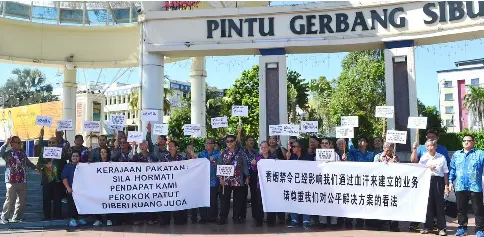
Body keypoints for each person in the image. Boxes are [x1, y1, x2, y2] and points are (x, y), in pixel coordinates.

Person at [449, 135, 484, 237]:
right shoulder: (456, 155)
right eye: (464, 140)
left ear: (473, 142)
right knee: (461, 209)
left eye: (469, 141)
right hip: (460, 186)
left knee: (478, 210)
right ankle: (462, 228)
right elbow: (452, 169)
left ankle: (479, 229)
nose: (466, 142)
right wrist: (450, 182)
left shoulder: (480, 154)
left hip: (475, 187)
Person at [0, 136, 39, 224]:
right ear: (12, 144)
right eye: (17, 142)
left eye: (20, 142)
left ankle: (16, 217)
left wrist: (35, 168)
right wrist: (6, 143)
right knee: (10, 199)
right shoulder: (8, 153)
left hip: (22, 180)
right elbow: (0, 153)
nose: (20, 144)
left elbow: (28, 162)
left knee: (22, 201)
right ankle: (4, 217)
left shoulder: (22, 153)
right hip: (11, 180)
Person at [418, 139, 448, 236]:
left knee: (439, 205)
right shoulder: (423, 158)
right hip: (426, 181)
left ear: (435, 146)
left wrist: (446, 185)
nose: (429, 148)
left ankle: (442, 228)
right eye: (427, 146)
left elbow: (445, 172)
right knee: (428, 204)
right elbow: (418, 170)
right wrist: (427, 167)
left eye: (431, 146)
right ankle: (428, 227)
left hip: (438, 181)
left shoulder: (441, 157)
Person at [217, 135, 249, 225]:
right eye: (227, 141)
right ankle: (223, 217)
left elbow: (245, 165)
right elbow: (219, 166)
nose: (229, 142)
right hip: (226, 181)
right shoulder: (222, 153)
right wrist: (220, 178)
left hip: (238, 180)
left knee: (238, 200)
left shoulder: (241, 153)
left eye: (231, 141)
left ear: (235, 142)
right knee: (224, 200)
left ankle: (236, 216)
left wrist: (247, 176)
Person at [37, 128, 67, 221]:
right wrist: (44, 166)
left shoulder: (61, 153)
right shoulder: (43, 153)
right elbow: (39, 164)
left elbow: (65, 164)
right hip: (46, 180)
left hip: (58, 180)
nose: (51, 144)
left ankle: (58, 215)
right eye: (49, 142)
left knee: (57, 199)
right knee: (46, 199)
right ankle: (47, 216)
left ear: (57, 143)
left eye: (53, 142)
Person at [346, 137, 375, 228]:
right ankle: (349, 220)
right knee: (353, 200)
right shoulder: (353, 152)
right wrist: (349, 138)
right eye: (359, 141)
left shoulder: (372, 154)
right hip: (355, 180)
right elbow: (349, 148)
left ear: (366, 143)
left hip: (367, 181)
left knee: (364, 200)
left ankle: (360, 221)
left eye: (363, 140)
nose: (361, 142)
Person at [373, 142, 400, 232]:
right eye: (387, 149)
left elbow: (400, 169)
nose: (389, 151)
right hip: (381, 183)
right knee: (381, 202)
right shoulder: (378, 156)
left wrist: (395, 162)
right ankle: (380, 223)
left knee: (393, 202)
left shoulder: (395, 156)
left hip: (392, 184)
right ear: (384, 148)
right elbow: (375, 167)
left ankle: (394, 224)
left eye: (390, 149)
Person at [286, 141, 313, 229]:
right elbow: (286, 168)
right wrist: (287, 159)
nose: (292, 148)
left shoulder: (308, 157)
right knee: (293, 200)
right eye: (292, 147)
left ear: (300, 148)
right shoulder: (291, 157)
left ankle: (306, 221)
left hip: (305, 184)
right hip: (294, 184)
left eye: (294, 146)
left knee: (306, 201)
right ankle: (294, 220)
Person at [131, 140, 158, 225]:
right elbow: (130, 160)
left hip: (150, 182)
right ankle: (139, 219)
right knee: (140, 200)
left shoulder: (152, 156)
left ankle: (150, 218)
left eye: (143, 145)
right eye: (140, 145)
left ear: (147, 146)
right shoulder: (137, 156)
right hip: (139, 183)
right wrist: (133, 147)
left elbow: (158, 165)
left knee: (150, 200)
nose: (142, 147)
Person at [161, 141, 187, 225]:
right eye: (169, 146)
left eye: (172, 146)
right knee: (167, 202)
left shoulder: (182, 158)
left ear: (176, 147)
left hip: (179, 185)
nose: (170, 147)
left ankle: (179, 219)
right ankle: (165, 220)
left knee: (178, 203)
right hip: (167, 185)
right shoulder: (164, 158)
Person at [196, 138, 220, 223]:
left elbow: (220, 163)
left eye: (208, 143)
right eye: (205, 143)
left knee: (213, 200)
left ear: (213, 145)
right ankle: (203, 217)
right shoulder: (201, 153)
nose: (206, 144)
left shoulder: (218, 154)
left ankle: (213, 217)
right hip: (203, 181)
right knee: (202, 199)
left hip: (213, 180)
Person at [236, 125, 258, 223]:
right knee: (243, 195)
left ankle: (256, 215)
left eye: (252, 141)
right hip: (244, 175)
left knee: (254, 195)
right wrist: (239, 132)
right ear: (246, 142)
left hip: (253, 175)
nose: (251, 142)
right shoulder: (242, 150)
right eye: (250, 140)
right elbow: (238, 142)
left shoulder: (256, 152)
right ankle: (242, 215)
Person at [252, 141, 276, 227]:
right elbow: (254, 170)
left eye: (265, 147)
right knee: (259, 203)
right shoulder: (257, 158)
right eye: (262, 147)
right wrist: (254, 164)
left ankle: (271, 220)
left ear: (268, 147)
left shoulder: (273, 158)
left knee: (271, 202)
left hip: (271, 184)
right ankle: (259, 220)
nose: (264, 149)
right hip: (260, 184)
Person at [61, 151, 87, 228]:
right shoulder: (67, 166)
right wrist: (68, 187)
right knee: (72, 205)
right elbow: (64, 178)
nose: (75, 157)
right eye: (73, 156)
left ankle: (80, 218)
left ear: (79, 157)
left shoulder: (83, 166)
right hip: (71, 189)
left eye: (77, 156)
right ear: (71, 157)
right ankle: (72, 220)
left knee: (81, 204)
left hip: (81, 190)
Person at [267, 135, 287, 224]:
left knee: (279, 197)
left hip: (279, 178)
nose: (271, 141)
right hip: (269, 178)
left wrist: (280, 146)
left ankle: (281, 217)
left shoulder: (280, 149)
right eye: (270, 139)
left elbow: (286, 156)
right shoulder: (266, 150)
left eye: (273, 139)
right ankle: (270, 217)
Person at [92, 147, 113, 227]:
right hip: (99, 186)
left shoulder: (111, 163)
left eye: (105, 152)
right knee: (97, 202)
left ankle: (109, 219)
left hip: (109, 187)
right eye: (101, 152)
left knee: (108, 202)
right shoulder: (96, 163)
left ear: (108, 154)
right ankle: (98, 219)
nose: (103, 154)